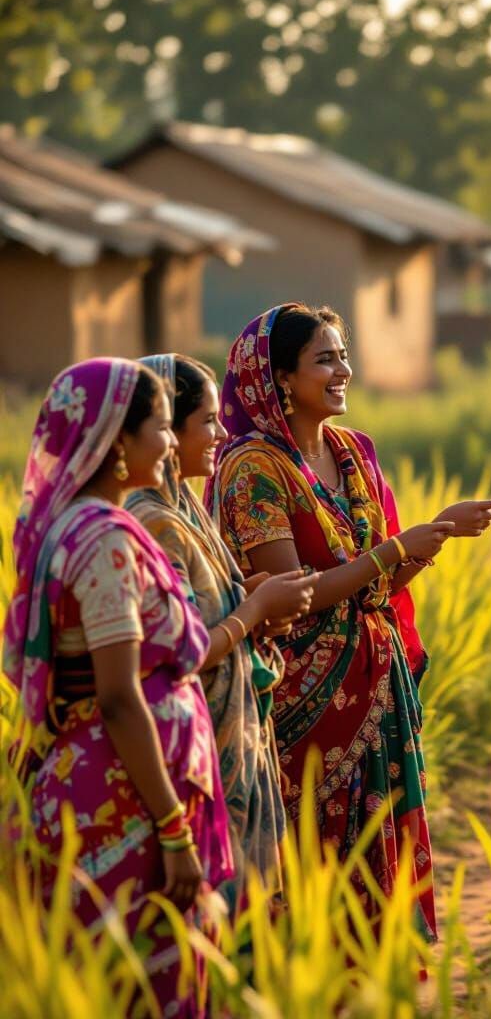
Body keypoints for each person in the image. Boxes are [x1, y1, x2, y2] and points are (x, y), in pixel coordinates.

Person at [208, 303, 491, 938]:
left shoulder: (351, 451)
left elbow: (375, 584)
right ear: (280, 379)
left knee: (378, 850)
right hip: (299, 695)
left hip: (376, 681)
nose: (343, 370)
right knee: (314, 856)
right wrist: (401, 546)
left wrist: (437, 535)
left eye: (344, 355)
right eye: (325, 358)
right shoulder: (253, 468)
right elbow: (297, 593)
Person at [2, 358, 233, 1014]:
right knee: (148, 986)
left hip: (109, 785)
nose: (169, 442)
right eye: (161, 427)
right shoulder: (102, 539)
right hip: (120, 800)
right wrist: (173, 829)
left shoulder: (75, 524)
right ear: (117, 441)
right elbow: (119, 695)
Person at [126, 354, 318, 908]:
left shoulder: (182, 506)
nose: (221, 432)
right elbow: (185, 649)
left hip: (229, 729)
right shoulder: (155, 522)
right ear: (164, 430)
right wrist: (255, 607)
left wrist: (252, 596)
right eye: (206, 421)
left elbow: (207, 609)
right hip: (194, 737)